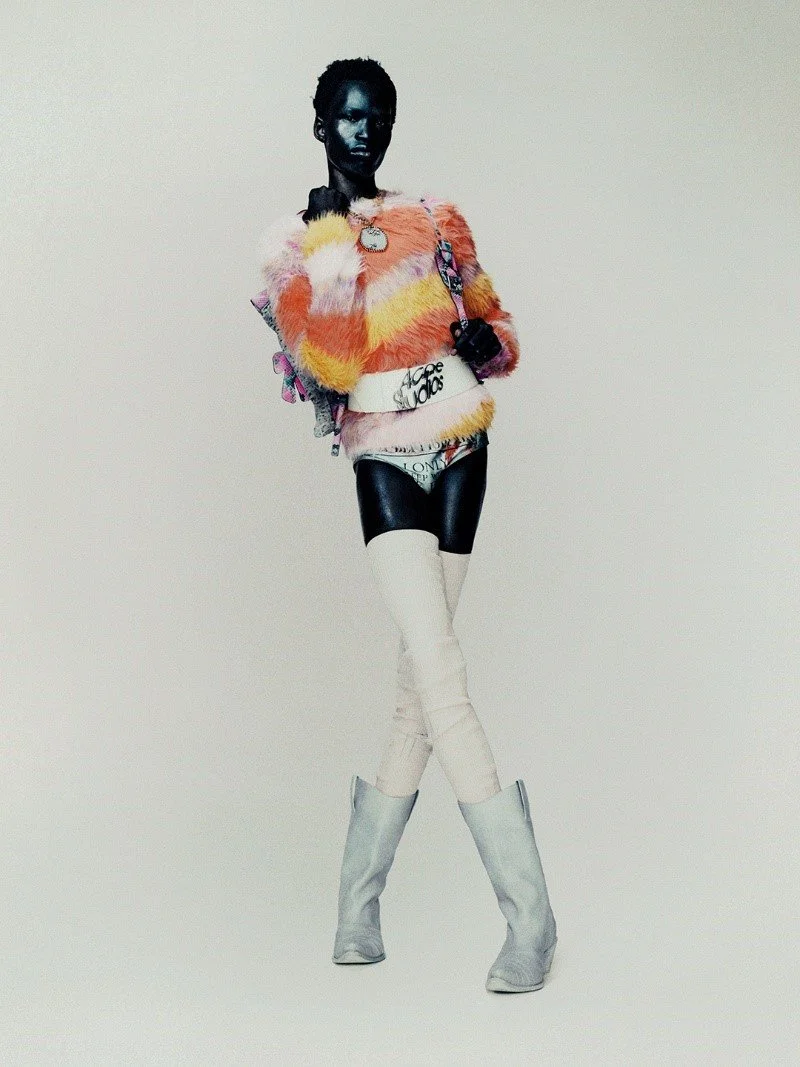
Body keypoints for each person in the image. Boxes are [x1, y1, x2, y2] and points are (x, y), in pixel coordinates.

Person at [252, 57, 557, 993]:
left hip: (461, 439)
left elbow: (496, 327)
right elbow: (332, 367)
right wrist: (332, 243)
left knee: (418, 692)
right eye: (350, 116)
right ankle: (533, 919)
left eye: (379, 115)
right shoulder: (291, 245)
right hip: (384, 451)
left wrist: (488, 341)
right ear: (321, 125)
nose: (365, 131)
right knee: (441, 672)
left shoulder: (434, 217)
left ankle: (357, 908)